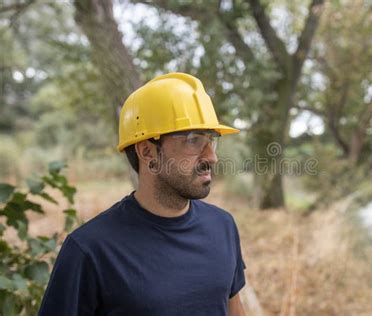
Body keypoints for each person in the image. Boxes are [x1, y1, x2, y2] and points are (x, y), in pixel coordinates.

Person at [39, 73, 247, 315]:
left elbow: (234, 309)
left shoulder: (222, 226)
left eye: (211, 140)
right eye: (193, 141)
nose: (211, 157)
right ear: (147, 152)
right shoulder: (90, 250)